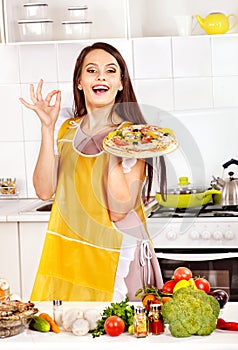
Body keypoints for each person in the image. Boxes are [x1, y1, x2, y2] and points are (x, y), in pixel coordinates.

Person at [19, 42, 167, 302]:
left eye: (110, 71)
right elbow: (44, 191)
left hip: (116, 254)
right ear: (80, 82)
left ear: (121, 83)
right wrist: (47, 128)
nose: (101, 76)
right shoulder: (67, 129)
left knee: (118, 336)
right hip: (70, 253)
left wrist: (113, 144)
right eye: (92, 70)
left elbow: (119, 208)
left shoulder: (134, 136)